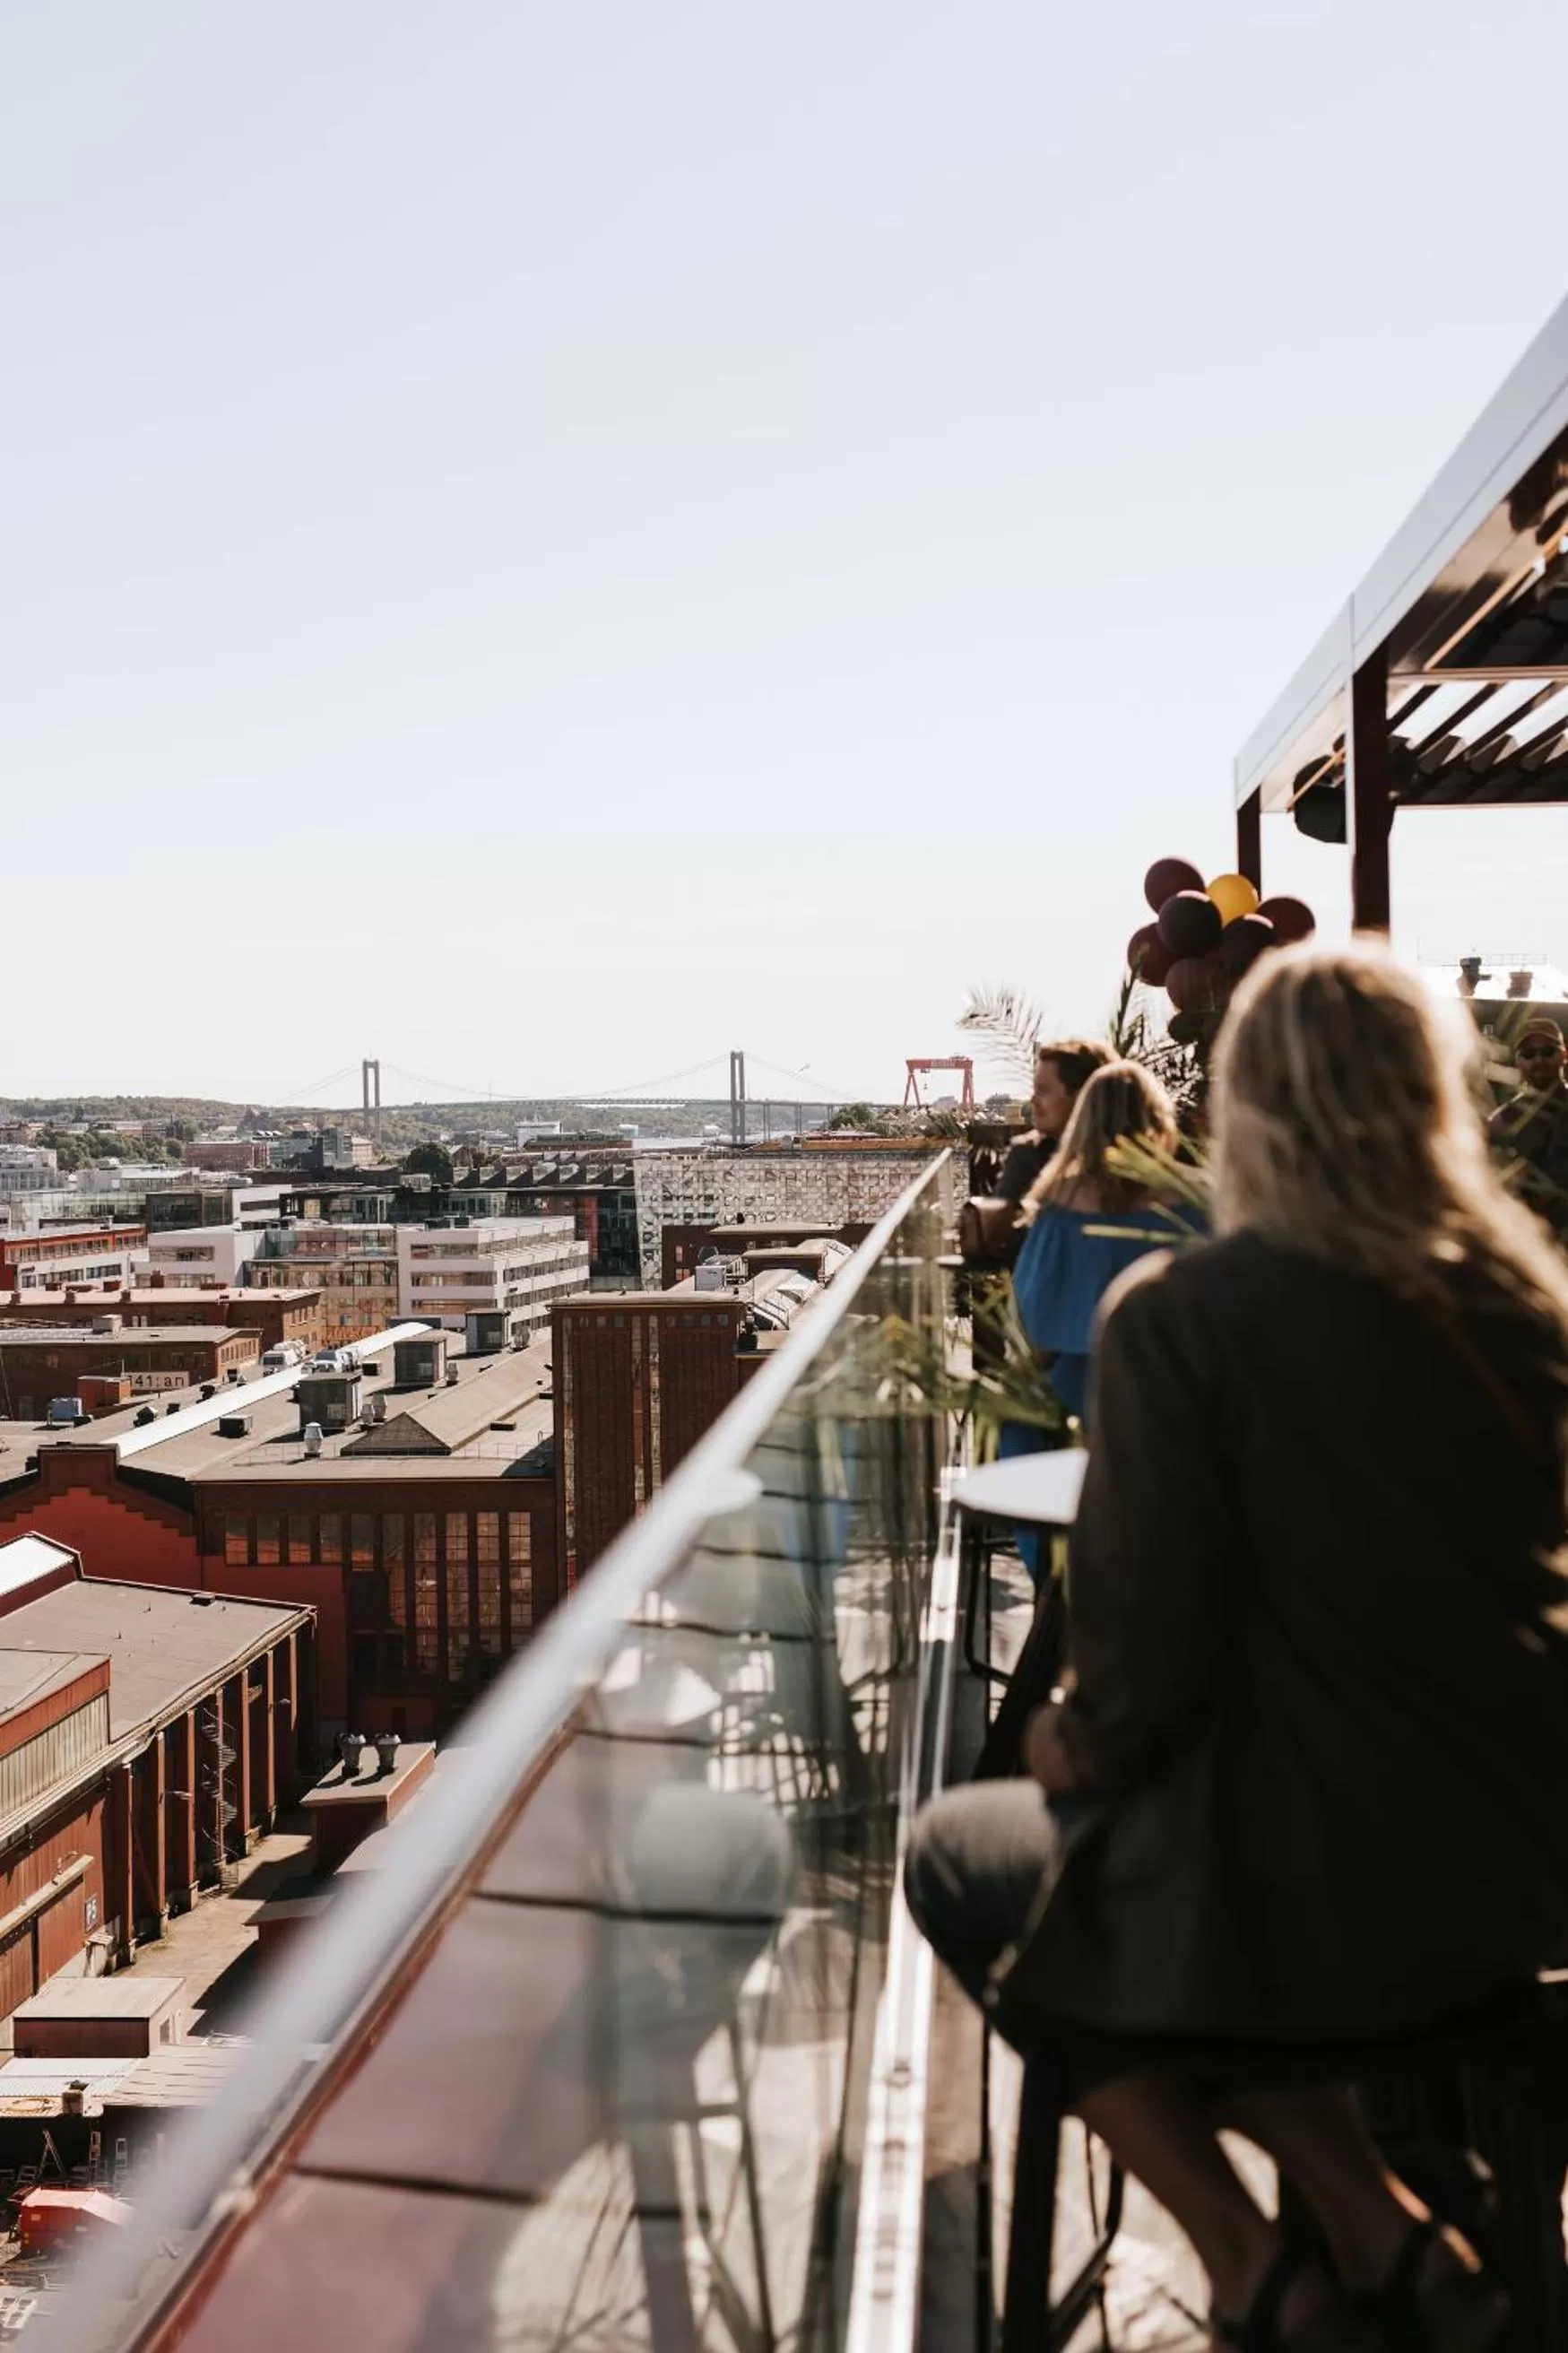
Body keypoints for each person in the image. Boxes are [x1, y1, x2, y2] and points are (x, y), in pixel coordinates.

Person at [907, 944, 1568, 2349]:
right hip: (1511, 1880)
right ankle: (1386, 2239)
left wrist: (1061, 1741)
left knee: (977, 1860)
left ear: (1251, 1112)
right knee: (1198, 1892)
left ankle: (1250, 2263)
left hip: (1297, 1890)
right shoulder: (1522, 1308)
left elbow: (1138, 1687)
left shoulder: (1188, 1321)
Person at [1011, 1057, 1186, 1427]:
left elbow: (1033, 1321)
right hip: (1174, 1392)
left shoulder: (1059, 1205)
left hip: (1080, 1396)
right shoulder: (1194, 1203)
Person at [992, 1038, 1115, 1207]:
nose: (1033, 1100)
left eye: (1043, 1091)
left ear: (1081, 1096)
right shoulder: (1026, 1156)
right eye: (1035, 1090)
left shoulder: (1129, 1158)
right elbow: (1000, 1225)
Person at [1488, 1013, 1568, 1235]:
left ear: (1564, 1054)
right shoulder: (1502, 1121)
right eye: (1529, 1054)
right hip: (1528, 1239)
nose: (1539, 1061)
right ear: (1518, 1061)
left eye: (1548, 1052)